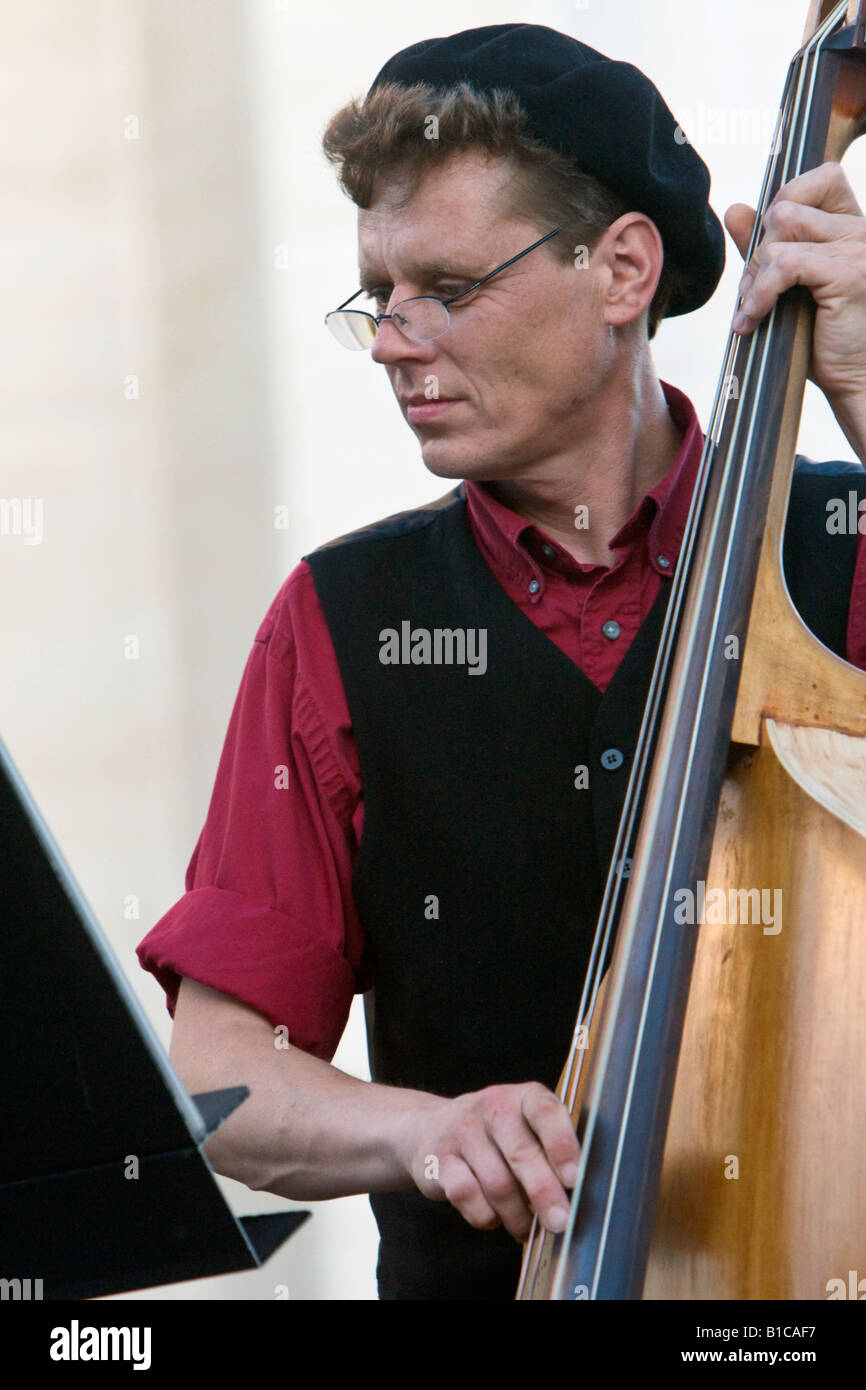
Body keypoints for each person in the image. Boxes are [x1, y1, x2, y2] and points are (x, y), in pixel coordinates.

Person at [135, 23, 866, 1300]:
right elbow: (220, 1070)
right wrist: (417, 1127)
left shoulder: (845, 554)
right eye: (379, 293)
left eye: (449, 289)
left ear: (621, 269)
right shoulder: (333, 618)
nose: (389, 343)